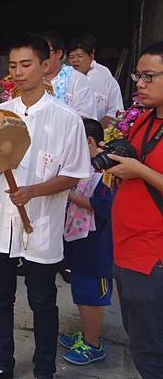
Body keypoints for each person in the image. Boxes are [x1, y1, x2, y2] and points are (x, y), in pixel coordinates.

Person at [0, 33, 91, 379]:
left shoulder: (66, 118)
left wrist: (34, 191)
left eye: (26, 64)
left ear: (45, 67)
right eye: (13, 66)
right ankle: (2, 364)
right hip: (0, 223)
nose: (19, 72)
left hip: (41, 223)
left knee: (42, 300)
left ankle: (44, 368)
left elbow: (73, 176)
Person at [107, 41, 163, 378]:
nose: (139, 84)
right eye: (137, 75)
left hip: (153, 256)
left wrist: (139, 170)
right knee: (140, 340)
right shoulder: (141, 120)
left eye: (149, 76)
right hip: (126, 250)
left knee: (150, 351)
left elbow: (141, 171)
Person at [58, 118, 113, 366]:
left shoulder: (109, 170)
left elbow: (102, 207)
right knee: (81, 291)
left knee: (92, 295)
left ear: (88, 141)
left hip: (98, 245)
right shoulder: (88, 165)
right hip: (82, 240)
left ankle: (93, 345)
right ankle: (87, 335)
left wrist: (66, 192)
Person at [68, 35, 124, 127]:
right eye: (71, 57)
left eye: (80, 56)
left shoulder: (105, 76)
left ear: (91, 55)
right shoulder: (63, 77)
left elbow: (116, 111)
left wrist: (96, 130)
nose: (75, 60)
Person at [42, 32, 97, 119]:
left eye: (45, 52)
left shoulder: (77, 79)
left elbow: (86, 116)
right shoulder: (30, 79)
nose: (42, 57)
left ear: (59, 53)